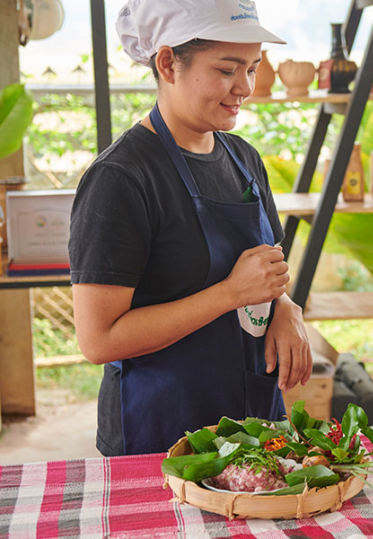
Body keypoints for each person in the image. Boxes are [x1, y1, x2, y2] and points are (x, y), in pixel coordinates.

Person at [69, 0, 312, 456]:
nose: (244, 87)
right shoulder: (122, 178)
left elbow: (267, 271)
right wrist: (228, 294)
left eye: (253, 68)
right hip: (158, 432)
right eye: (226, 69)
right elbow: (98, 340)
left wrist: (285, 306)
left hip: (252, 425)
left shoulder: (243, 159)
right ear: (167, 63)